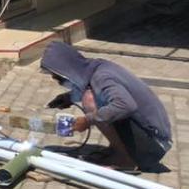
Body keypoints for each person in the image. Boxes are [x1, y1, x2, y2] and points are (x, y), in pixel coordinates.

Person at [40, 40, 173, 172]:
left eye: (59, 77)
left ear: (68, 71)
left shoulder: (102, 77)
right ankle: (118, 150)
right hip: (154, 136)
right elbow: (98, 90)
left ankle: (124, 160)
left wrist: (87, 121)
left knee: (89, 100)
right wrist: (69, 97)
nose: (58, 81)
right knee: (91, 97)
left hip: (154, 144)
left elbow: (125, 105)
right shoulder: (96, 67)